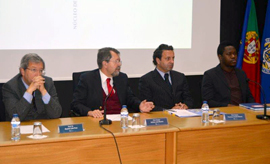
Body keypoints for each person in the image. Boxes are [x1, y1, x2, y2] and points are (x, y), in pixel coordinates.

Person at [71, 47, 154, 118]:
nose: (119, 64)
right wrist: (90, 112)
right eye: (116, 61)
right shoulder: (87, 79)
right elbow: (76, 104)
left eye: (119, 61)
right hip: (97, 122)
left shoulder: (122, 78)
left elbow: (130, 98)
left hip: (121, 122)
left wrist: (140, 105)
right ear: (105, 64)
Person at [2, 53, 62, 121]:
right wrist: (29, 91)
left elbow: (56, 114)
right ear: (22, 71)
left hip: (44, 126)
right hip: (21, 127)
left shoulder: (47, 83)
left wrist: (43, 91)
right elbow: (16, 117)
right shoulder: (10, 87)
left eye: (41, 70)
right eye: (34, 70)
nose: (38, 74)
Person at [138, 44, 193, 111]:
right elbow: (148, 106)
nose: (172, 61)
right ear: (158, 60)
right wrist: (169, 111)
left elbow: (189, 100)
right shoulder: (146, 80)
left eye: (173, 58)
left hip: (181, 118)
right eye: (168, 59)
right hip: (160, 118)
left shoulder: (180, 77)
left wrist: (185, 106)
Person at [201, 41, 255, 107]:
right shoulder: (210, 75)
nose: (233, 56)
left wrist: (253, 108)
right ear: (220, 57)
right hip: (223, 113)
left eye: (235, 54)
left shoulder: (241, 74)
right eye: (229, 54)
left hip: (243, 112)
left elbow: (249, 96)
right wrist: (227, 106)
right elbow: (208, 101)